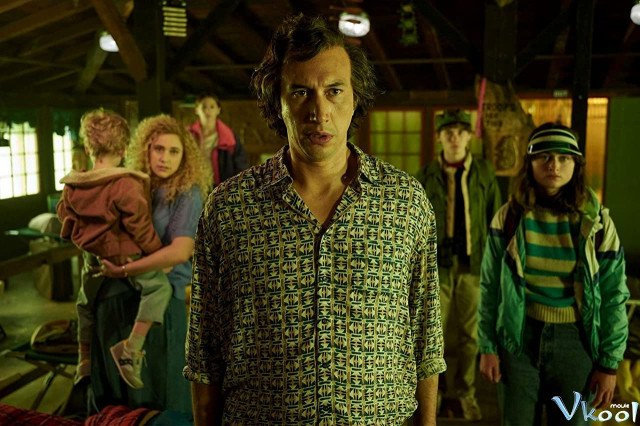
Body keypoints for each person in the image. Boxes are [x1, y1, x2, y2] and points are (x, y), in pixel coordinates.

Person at [184, 14, 446, 426]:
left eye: (334, 91)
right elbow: (205, 352)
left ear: (355, 99)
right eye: (301, 92)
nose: (319, 112)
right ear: (278, 101)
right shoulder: (230, 209)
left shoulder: (404, 202)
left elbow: (426, 337)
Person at [478, 123, 629, 425]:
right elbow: (490, 286)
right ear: (530, 163)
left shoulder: (597, 222)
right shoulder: (509, 218)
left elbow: (614, 293)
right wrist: (487, 347)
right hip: (519, 337)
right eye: (544, 156)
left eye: (564, 157)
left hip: (577, 341)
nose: (554, 165)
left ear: (576, 164)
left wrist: (609, 364)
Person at [92, 114, 210, 417]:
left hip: (163, 299)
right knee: (120, 393)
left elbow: (180, 251)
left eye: (174, 151)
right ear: (145, 149)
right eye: (159, 149)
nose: (165, 158)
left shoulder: (187, 192)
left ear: (184, 157)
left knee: (161, 390)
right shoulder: (132, 184)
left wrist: (124, 269)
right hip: (124, 293)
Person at [56, 109, 171, 389]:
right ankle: (131, 349)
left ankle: (84, 359)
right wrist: (157, 255)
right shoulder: (125, 183)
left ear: (88, 148)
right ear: (123, 148)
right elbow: (140, 227)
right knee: (160, 288)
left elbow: (63, 214)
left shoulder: (74, 185)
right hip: (123, 255)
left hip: (92, 257)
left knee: (84, 303)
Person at [415, 108, 501, 420]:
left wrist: (494, 263)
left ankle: (465, 394)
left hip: (473, 264)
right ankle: (434, 394)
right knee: (432, 334)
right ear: (439, 136)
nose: (454, 137)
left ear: (469, 137)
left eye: (461, 132)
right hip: (437, 266)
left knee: (470, 335)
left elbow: (495, 218)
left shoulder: (484, 172)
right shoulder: (426, 175)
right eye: (448, 132)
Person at [188, 92, 249, 185]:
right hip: (194, 184)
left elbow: (241, 164)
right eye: (204, 107)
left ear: (218, 110)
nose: (208, 111)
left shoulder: (230, 137)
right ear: (197, 110)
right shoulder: (188, 135)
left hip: (221, 185)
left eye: (212, 107)